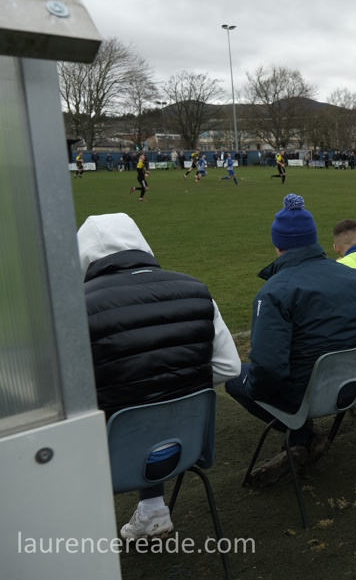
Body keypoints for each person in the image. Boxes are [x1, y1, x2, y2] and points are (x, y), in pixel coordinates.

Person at [77, 213, 240, 540]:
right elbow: (229, 367)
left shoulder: (77, 305)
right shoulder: (196, 289)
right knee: (155, 397)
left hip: (109, 460)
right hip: (184, 446)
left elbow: (68, 395)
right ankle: (153, 508)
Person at [225, 194, 356, 487]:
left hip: (308, 396)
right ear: (314, 240)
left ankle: (300, 433)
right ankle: (302, 438)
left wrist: (257, 391)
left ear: (278, 246)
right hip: (354, 387)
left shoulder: (275, 291)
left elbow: (269, 368)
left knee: (233, 377)